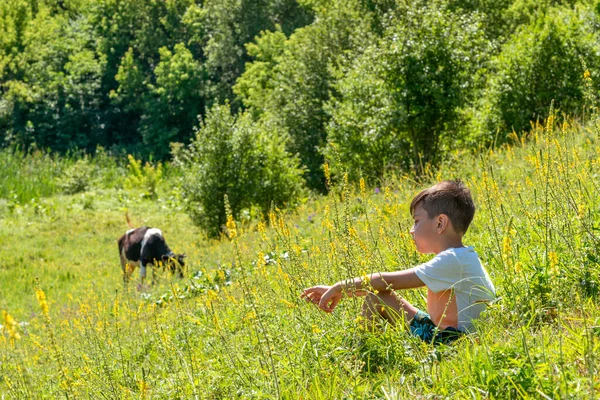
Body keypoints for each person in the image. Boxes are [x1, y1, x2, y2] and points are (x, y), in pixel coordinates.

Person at [301, 180, 495, 345]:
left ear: (440, 223)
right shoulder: (460, 257)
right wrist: (339, 291)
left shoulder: (453, 260)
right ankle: (367, 351)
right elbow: (378, 287)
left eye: (417, 221)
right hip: (446, 333)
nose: (411, 230)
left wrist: (339, 287)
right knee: (376, 297)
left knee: (375, 298)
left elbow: (386, 281)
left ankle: (366, 358)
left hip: (452, 342)